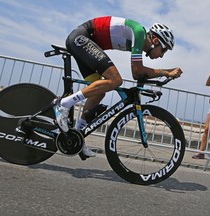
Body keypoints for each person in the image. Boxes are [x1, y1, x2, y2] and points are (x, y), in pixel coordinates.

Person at [53, 16, 183, 158]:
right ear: (156, 41)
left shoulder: (138, 40)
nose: (162, 56)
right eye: (163, 50)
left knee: (98, 92)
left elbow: (138, 72)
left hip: (84, 42)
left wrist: (164, 74)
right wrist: (166, 72)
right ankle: (64, 104)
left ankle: (78, 136)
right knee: (115, 80)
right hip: (82, 38)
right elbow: (137, 72)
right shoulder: (139, 33)